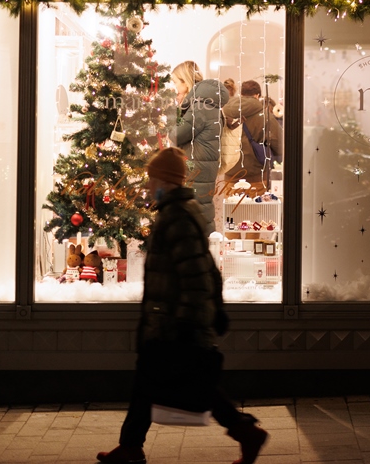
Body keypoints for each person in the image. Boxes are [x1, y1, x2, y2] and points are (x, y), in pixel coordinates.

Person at [97, 147, 268, 464]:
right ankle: (132, 446)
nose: (149, 186)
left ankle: (246, 431)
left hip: (175, 321)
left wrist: (185, 321)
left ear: (165, 180)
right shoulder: (178, 211)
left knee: (192, 385)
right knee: (150, 382)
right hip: (171, 317)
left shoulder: (176, 215)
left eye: (152, 179)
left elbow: (195, 273)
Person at [171, 61, 229, 230]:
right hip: (202, 165)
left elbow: (176, 134)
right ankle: (204, 248)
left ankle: (203, 249)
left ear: (185, 81)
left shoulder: (199, 107)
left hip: (196, 167)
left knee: (196, 214)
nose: (174, 87)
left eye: (176, 82)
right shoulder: (206, 104)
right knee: (200, 210)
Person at [222, 79, 284, 194]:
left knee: (232, 210)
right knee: (256, 210)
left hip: (230, 174)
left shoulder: (224, 112)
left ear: (241, 94)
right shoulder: (265, 116)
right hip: (256, 177)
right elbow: (279, 144)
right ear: (257, 95)